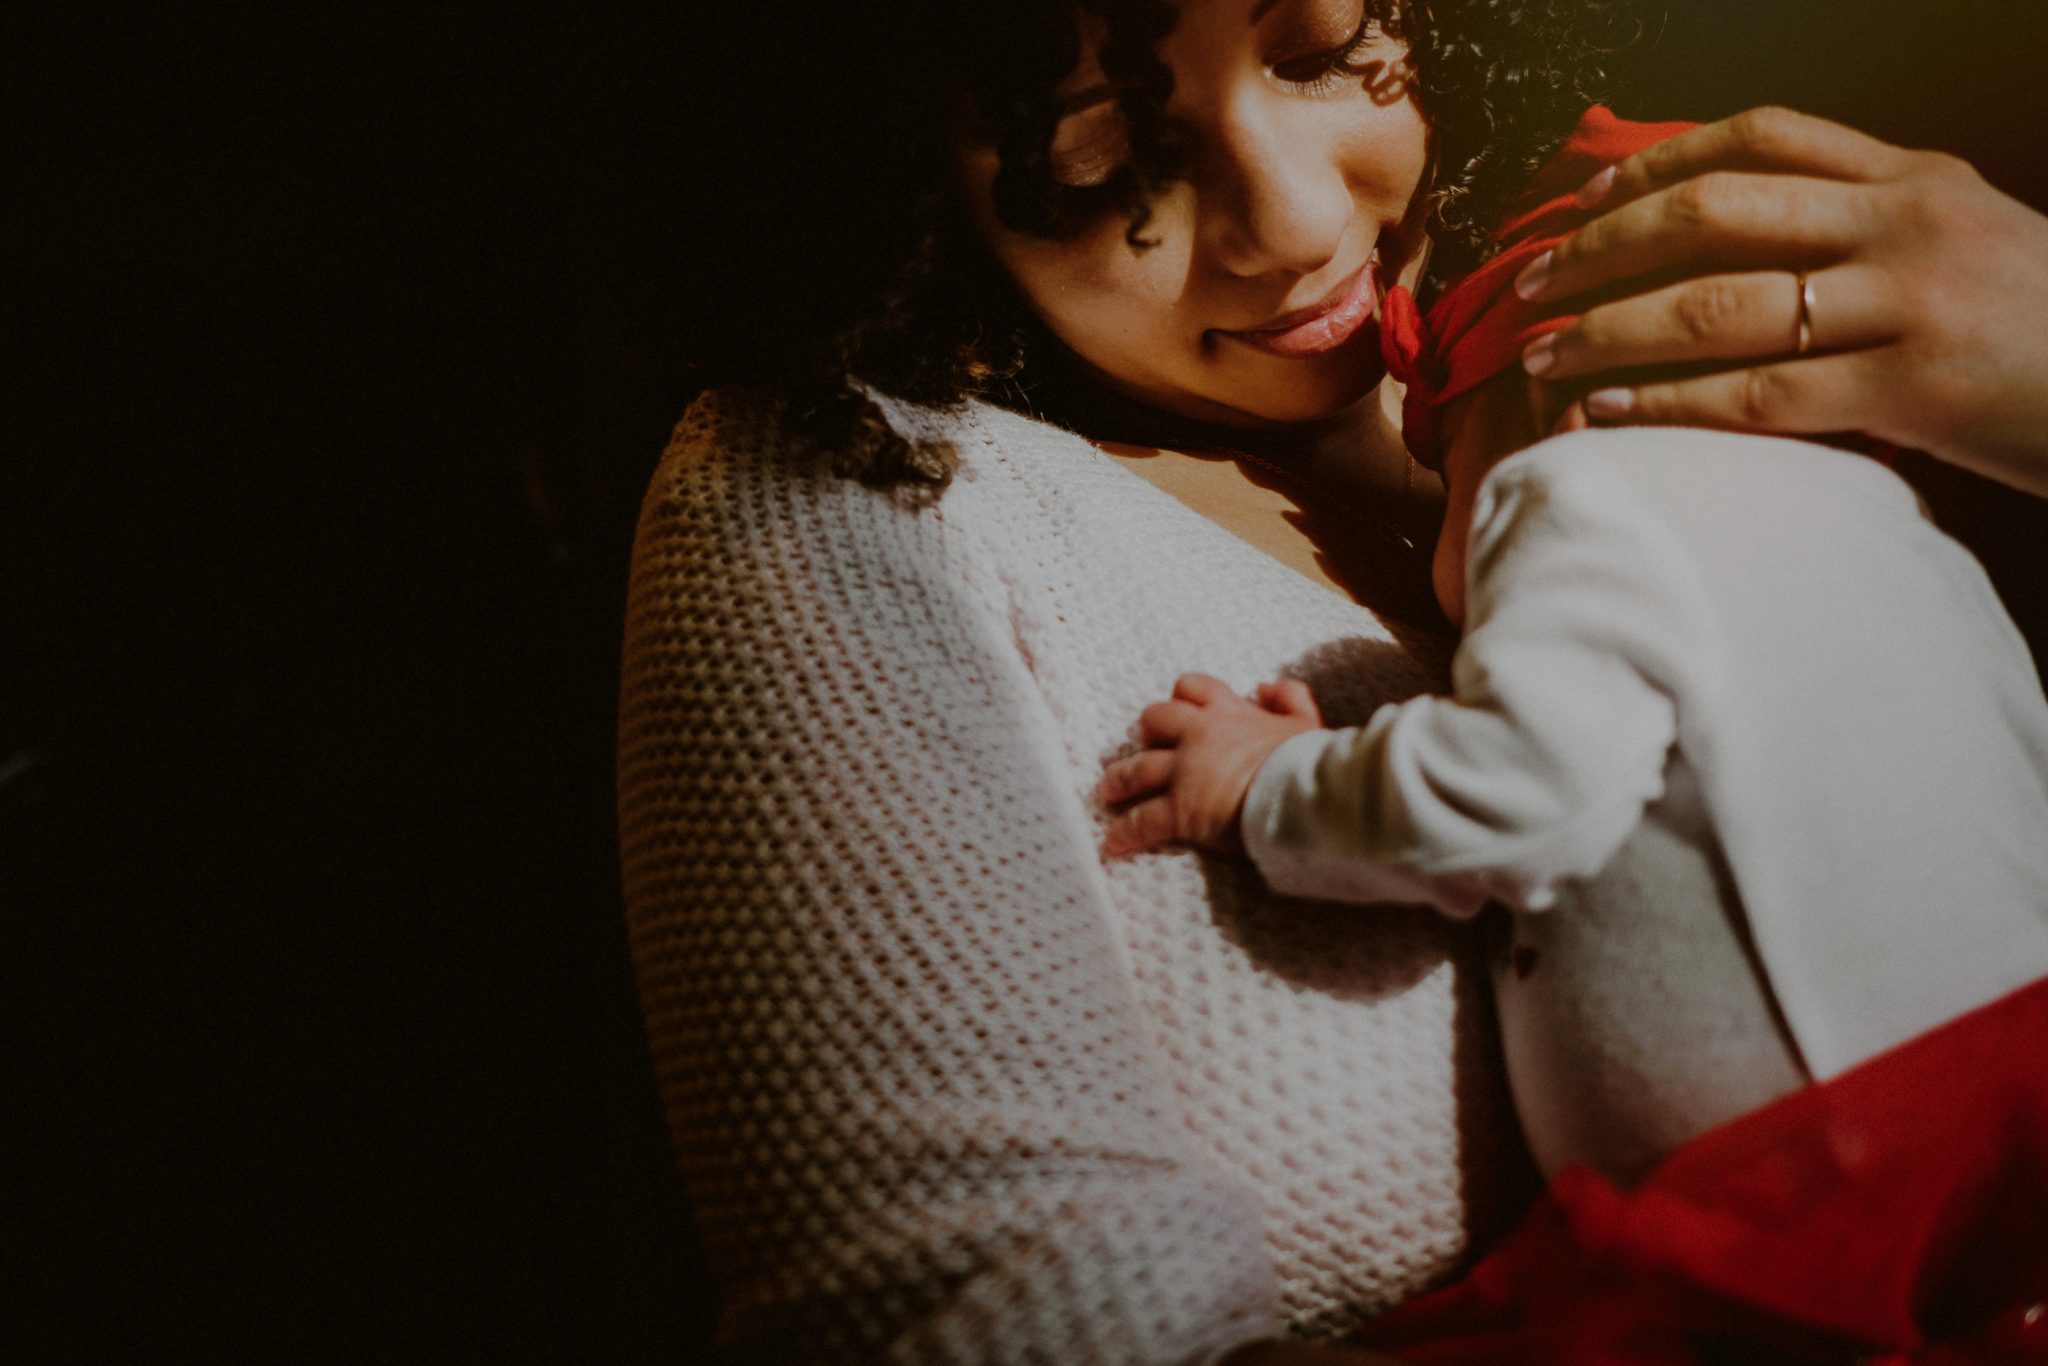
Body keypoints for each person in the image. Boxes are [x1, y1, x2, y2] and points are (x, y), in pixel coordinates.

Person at [617, 2, 2048, 1359]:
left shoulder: (1663, 366)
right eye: (1106, 148)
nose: (1295, 224)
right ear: (889, 148)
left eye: (1325, 49)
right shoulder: (864, 490)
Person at [1096, 110, 2048, 1357]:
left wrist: (1269, 783)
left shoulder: (1582, 489)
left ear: (1551, 402)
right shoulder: (1898, 528)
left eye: (1442, 471)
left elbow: (1522, 791)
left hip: (1826, 1176)